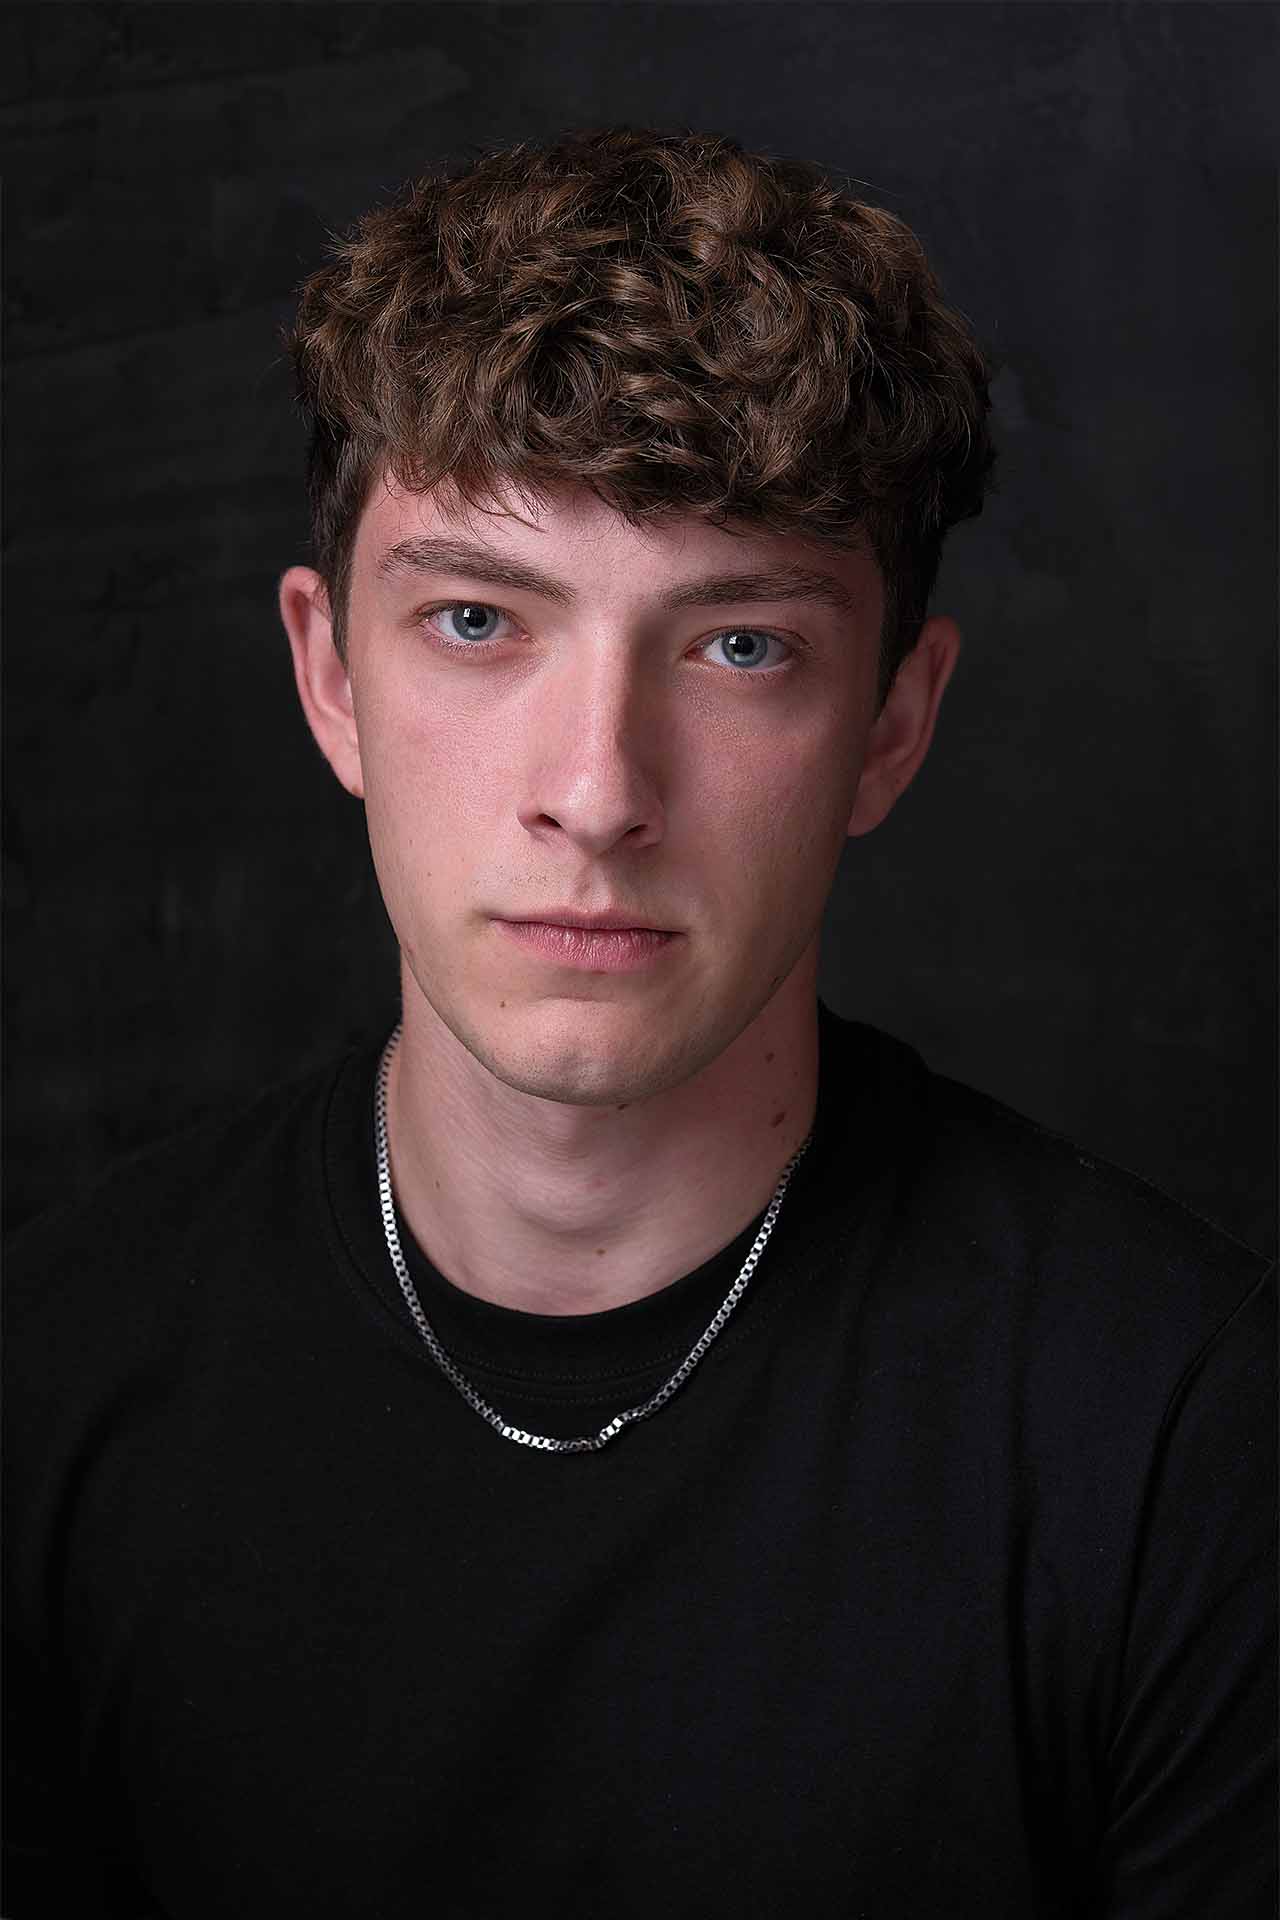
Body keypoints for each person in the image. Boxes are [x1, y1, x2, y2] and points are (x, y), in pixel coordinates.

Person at [4, 126, 1274, 1919]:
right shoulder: (47, 1384)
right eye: (475, 618)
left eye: (740, 645)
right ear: (330, 676)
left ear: (893, 727)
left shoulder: (1187, 1437)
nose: (599, 792)